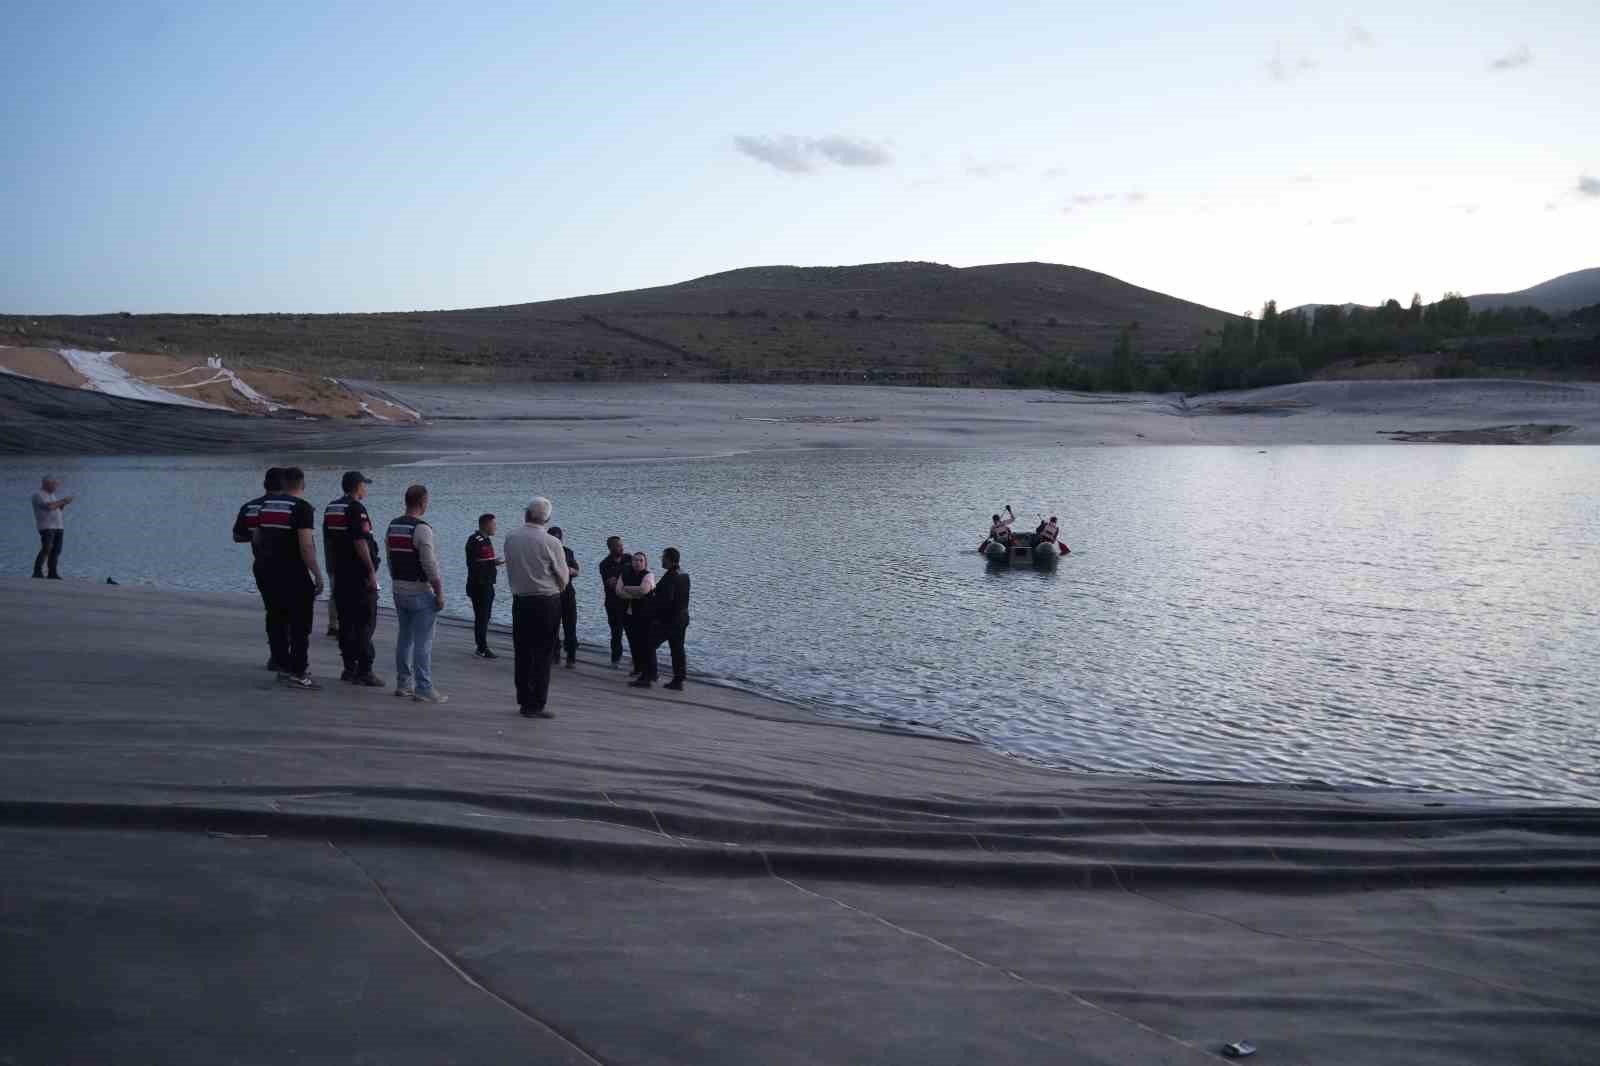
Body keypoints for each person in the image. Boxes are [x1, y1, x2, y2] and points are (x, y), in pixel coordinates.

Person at [253, 466, 324, 689]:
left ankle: (282, 668)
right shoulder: (302, 508)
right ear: (302, 484)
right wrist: (317, 574)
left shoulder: (265, 506)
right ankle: (299, 672)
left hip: (268, 571)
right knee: (301, 624)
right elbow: (306, 545)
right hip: (293, 573)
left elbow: (256, 537)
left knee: (277, 619)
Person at [503, 497, 569, 718]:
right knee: (543, 654)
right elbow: (563, 578)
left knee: (522, 652)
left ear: (526, 514)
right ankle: (537, 703)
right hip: (546, 601)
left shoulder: (511, 537)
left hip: (521, 600)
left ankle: (523, 700)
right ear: (547, 518)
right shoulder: (552, 542)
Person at [387, 484, 447, 704]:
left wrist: (396, 581)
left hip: (398, 588)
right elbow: (429, 564)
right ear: (423, 502)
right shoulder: (422, 529)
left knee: (405, 637)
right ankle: (424, 687)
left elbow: (390, 557)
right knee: (423, 642)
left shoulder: (393, 525)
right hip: (419, 591)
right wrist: (439, 592)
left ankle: (403, 683)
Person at [327, 471, 383, 686]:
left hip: (340, 573)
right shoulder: (356, 508)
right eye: (364, 485)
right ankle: (365, 670)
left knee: (346, 621)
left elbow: (329, 541)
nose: (365, 489)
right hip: (358, 575)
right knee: (365, 622)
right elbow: (360, 541)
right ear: (357, 486)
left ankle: (349, 668)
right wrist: (371, 572)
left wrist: (331, 570)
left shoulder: (332, 508)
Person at [233, 467, 284, 670]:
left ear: (265, 485)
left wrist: (253, 536)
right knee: (291, 613)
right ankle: (285, 657)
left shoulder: (249, 507)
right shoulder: (290, 506)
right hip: (288, 566)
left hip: (262, 565)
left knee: (272, 611)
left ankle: (275, 656)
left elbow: (237, 536)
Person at [645, 547, 691, 691]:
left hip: (669, 619)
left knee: (648, 645)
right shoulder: (684, 574)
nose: (661, 560)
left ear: (669, 560)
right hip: (682, 617)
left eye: (663, 557)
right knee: (677, 648)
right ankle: (679, 679)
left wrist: (656, 617)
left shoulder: (670, 576)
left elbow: (666, 601)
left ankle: (649, 676)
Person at [613, 551, 656, 685]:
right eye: (635, 560)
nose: (638, 563)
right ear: (631, 562)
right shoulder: (625, 574)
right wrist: (635, 593)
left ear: (645, 562)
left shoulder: (648, 575)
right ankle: (637, 668)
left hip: (644, 614)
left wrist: (627, 589)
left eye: (641, 560)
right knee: (632, 642)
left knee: (644, 643)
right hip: (628, 613)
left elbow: (644, 590)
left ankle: (649, 672)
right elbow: (618, 591)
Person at [465, 513, 503, 659]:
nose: (495, 527)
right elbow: (474, 563)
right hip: (479, 584)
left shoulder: (485, 540)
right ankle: (482, 647)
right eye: (493, 524)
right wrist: (491, 563)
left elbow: (483, 560)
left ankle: (481, 645)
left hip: (486, 583)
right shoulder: (476, 540)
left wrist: (493, 562)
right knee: (482, 616)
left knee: (484, 616)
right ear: (485, 525)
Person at [548, 526, 580, 668]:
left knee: (570, 625)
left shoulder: (567, 552)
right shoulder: (545, 552)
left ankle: (571, 656)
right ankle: (554, 652)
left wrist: (563, 570)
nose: (556, 541)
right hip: (551, 592)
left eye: (558, 538)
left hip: (567, 592)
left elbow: (576, 571)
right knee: (551, 625)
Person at [31, 477, 74, 580]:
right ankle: (37, 572)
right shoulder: (38, 495)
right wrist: (63, 500)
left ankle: (52, 573)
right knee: (46, 548)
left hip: (58, 526)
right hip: (47, 527)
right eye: (54, 484)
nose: (56, 487)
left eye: (56, 484)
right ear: (47, 484)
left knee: (56, 550)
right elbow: (49, 507)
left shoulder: (52, 495)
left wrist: (63, 504)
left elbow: (56, 508)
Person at [596, 536, 629, 666]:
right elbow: (611, 584)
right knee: (616, 632)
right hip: (613, 603)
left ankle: (637, 660)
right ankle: (616, 659)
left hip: (629, 602)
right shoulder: (604, 564)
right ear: (610, 548)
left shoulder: (628, 558)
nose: (622, 548)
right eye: (618, 546)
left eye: (622, 545)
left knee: (634, 631)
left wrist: (620, 578)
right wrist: (626, 577)